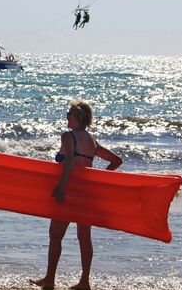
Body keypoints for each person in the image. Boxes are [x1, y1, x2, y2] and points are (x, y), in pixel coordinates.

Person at [30, 100, 122, 290]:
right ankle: (85, 282)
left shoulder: (68, 136)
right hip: (86, 193)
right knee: (84, 237)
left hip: (70, 190)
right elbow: (116, 161)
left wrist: (62, 188)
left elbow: (70, 161)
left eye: (69, 113)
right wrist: (99, 180)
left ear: (78, 118)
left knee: (55, 236)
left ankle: (49, 280)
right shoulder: (91, 140)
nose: (66, 116)